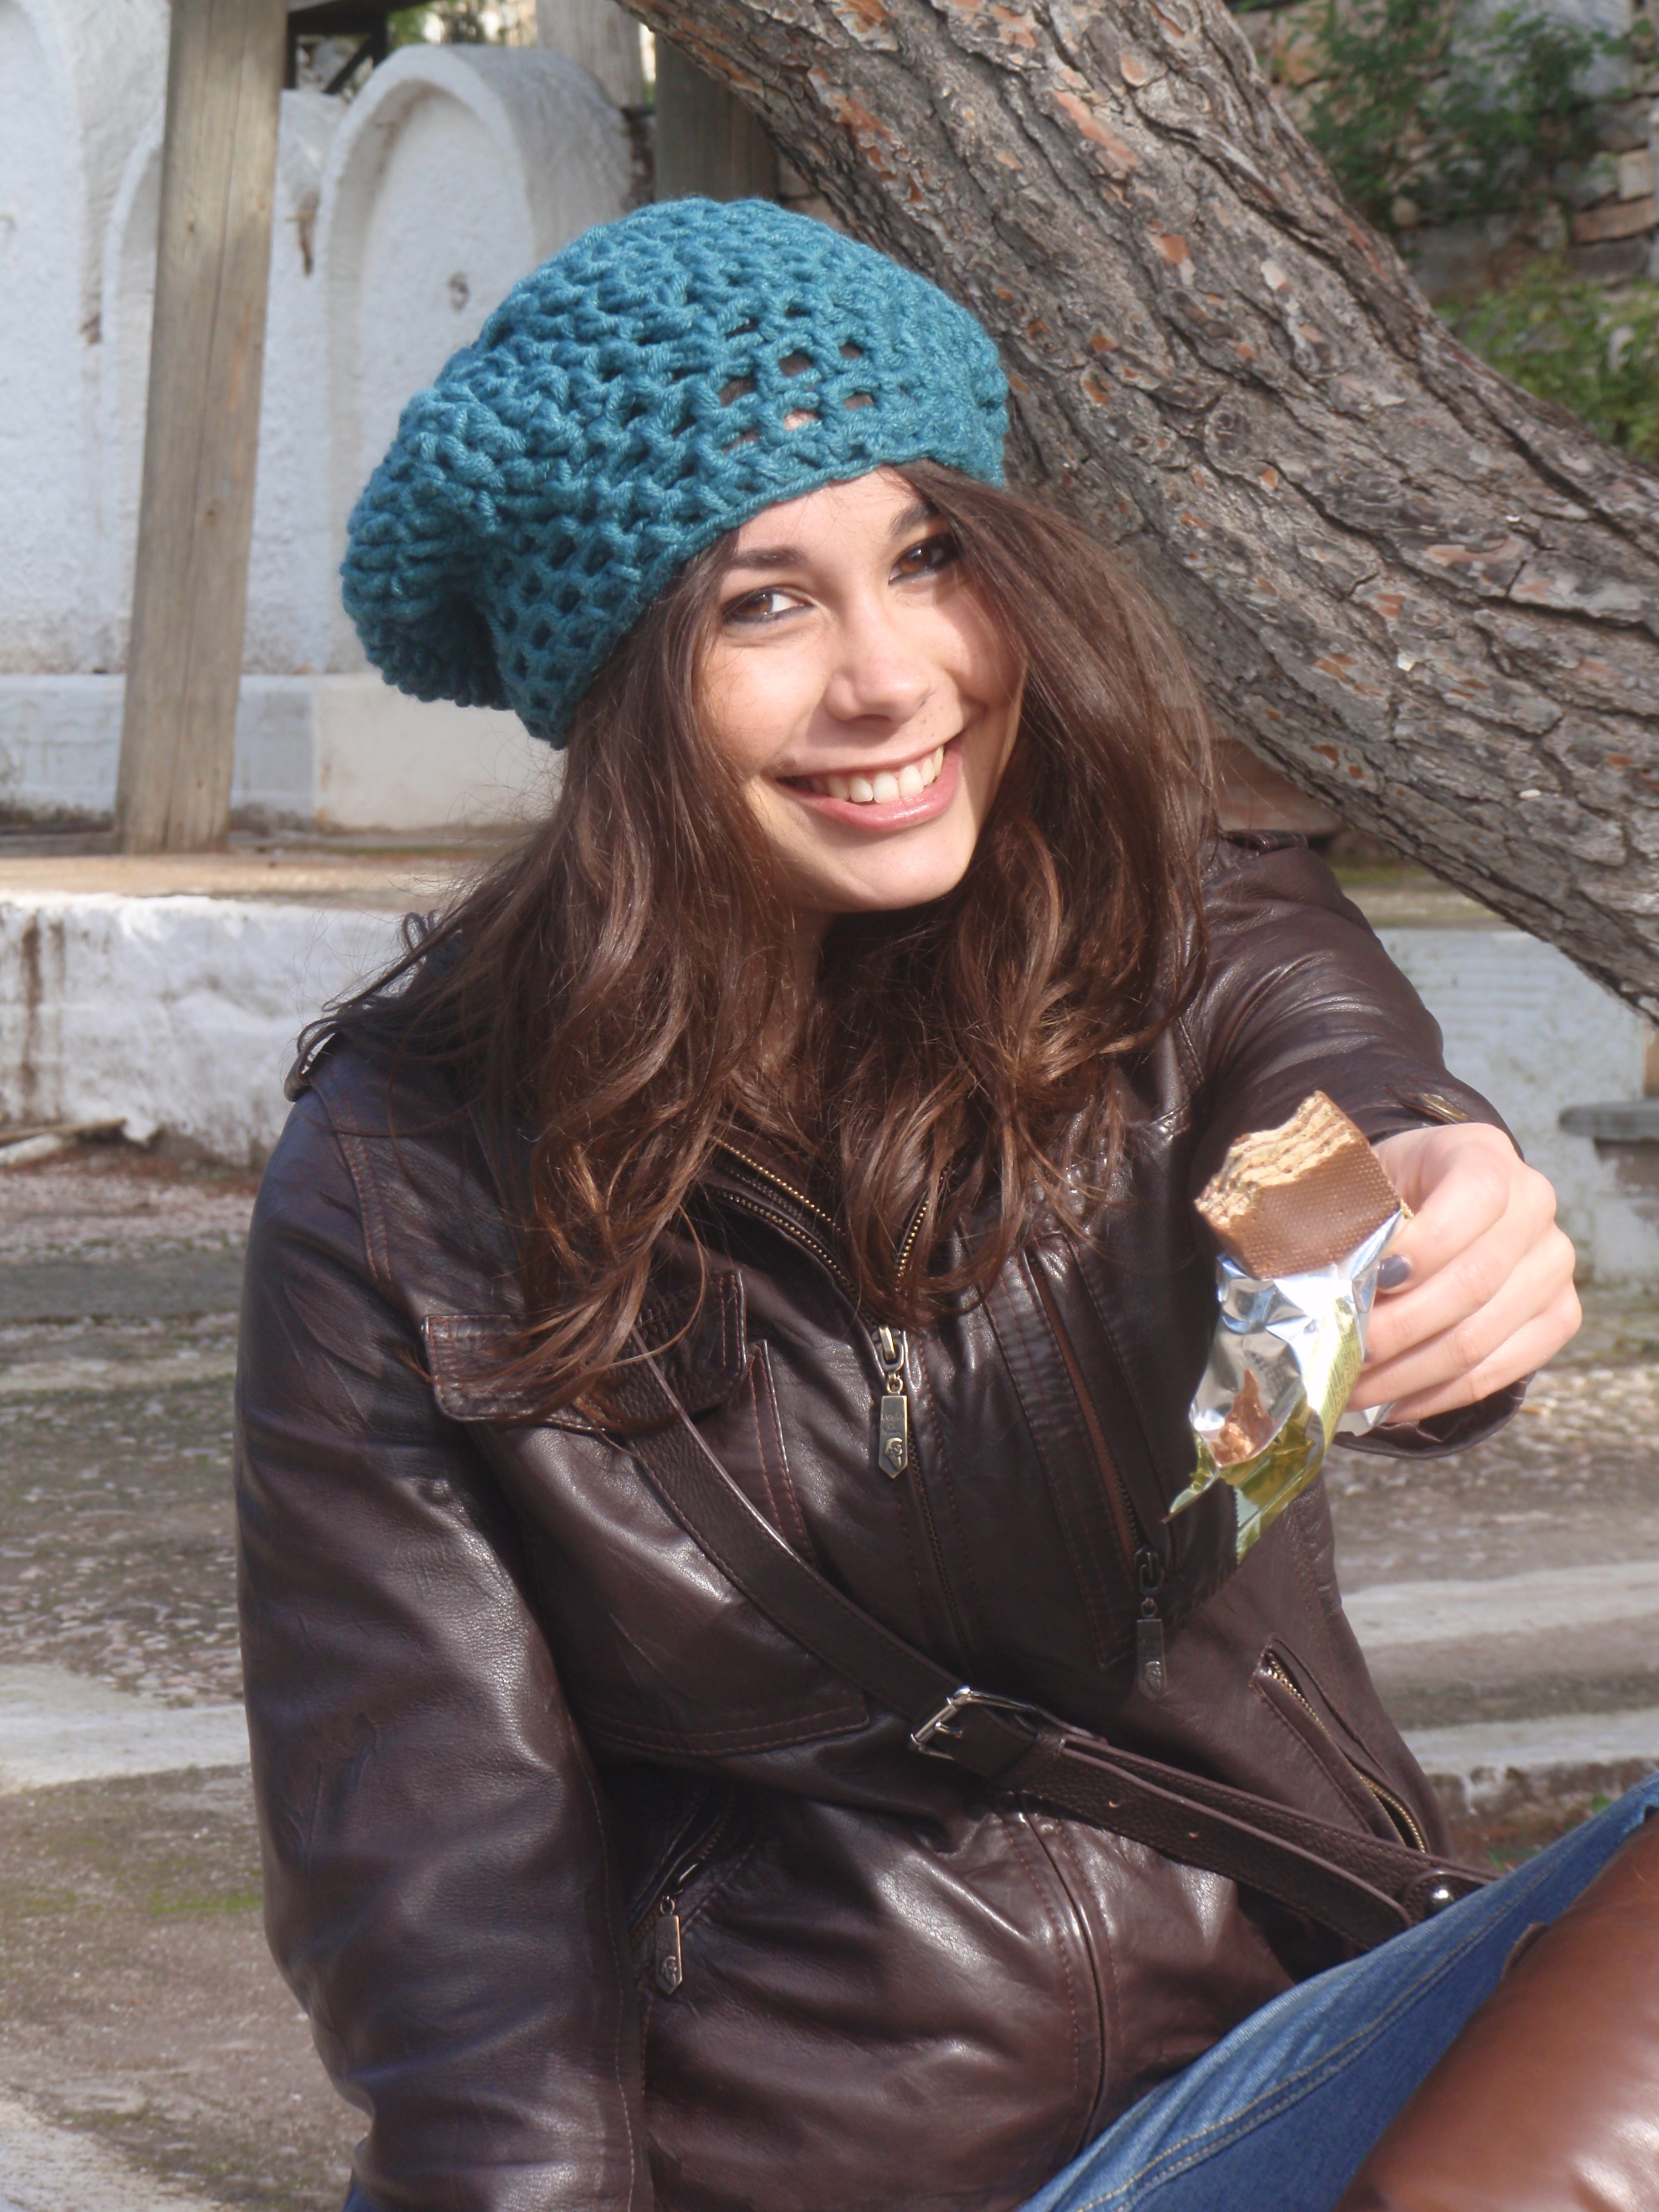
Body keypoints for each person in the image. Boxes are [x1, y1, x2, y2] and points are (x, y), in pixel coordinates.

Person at [235, 200, 1652, 2212]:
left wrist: (1408, 1228)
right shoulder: (411, 1175)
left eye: (928, 559)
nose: (893, 680)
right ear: (622, 685)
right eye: (765, 606)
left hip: (1283, 2078)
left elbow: (1307, 1154)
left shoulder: (1173, 923)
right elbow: (445, 1905)